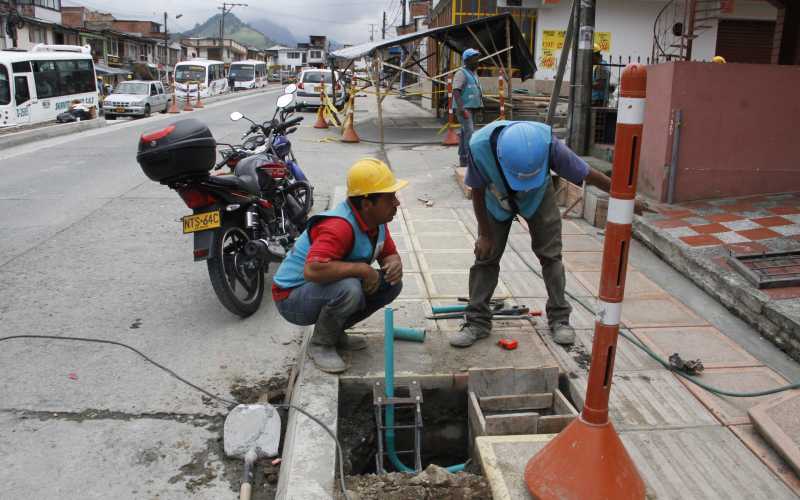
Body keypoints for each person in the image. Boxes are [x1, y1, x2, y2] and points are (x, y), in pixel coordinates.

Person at [450, 120, 618, 348]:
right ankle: (476, 322)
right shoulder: (480, 146)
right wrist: (485, 234)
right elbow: (477, 191)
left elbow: (586, 172)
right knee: (485, 257)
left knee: (551, 256)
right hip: (495, 199)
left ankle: (560, 319)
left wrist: (623, 196)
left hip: (538, 198)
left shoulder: (548, 143)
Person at [272, 158, 408, 373]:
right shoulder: (338, 226)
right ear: (366, 203)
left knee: (391, 284)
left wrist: (394, 263)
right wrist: (363, 270)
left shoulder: (376, 222)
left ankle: (334, 333)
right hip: (291, 298)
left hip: (319, 289)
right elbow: (313, 270)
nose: (396, 202)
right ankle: (321, 344)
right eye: (390, 197)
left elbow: (388, 254)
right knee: (350, 288)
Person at [452, 48, 483, 169]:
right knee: (469, 133)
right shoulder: (461, 73)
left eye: (478, 59)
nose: (478, 61)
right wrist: (462, 109)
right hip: (464, 109)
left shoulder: (473, 73)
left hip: (472, 108)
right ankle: (469, 159)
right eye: (475, 59)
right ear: (467, 60)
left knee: (465, 133)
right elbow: (456, 91)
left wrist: (480, 106)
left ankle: (463, 159)